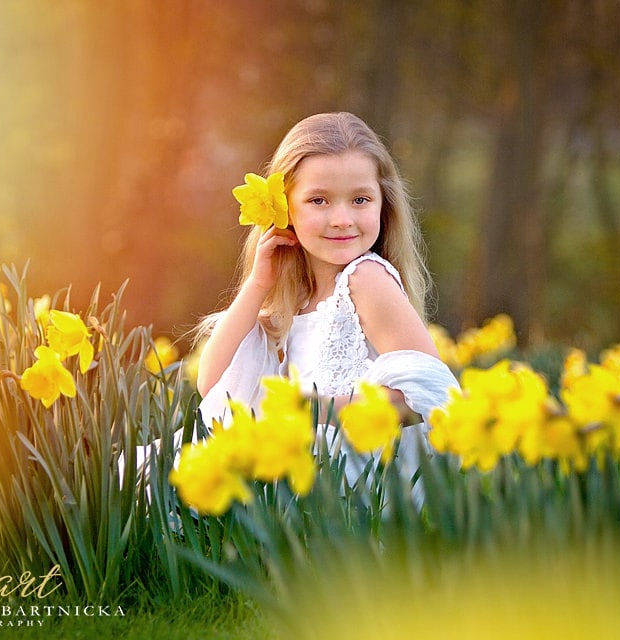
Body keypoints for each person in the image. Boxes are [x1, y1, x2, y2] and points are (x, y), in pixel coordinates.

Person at [194, 112, 457, 474]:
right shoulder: (297, 299)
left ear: (384, 204)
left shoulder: (366, 279)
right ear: (286, 210)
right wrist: (258, 285)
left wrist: (315, 409)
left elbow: (430, 396)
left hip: (352, 475)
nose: (341, 219)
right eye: (319, 201)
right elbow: (213, 383)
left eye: (360, 200)